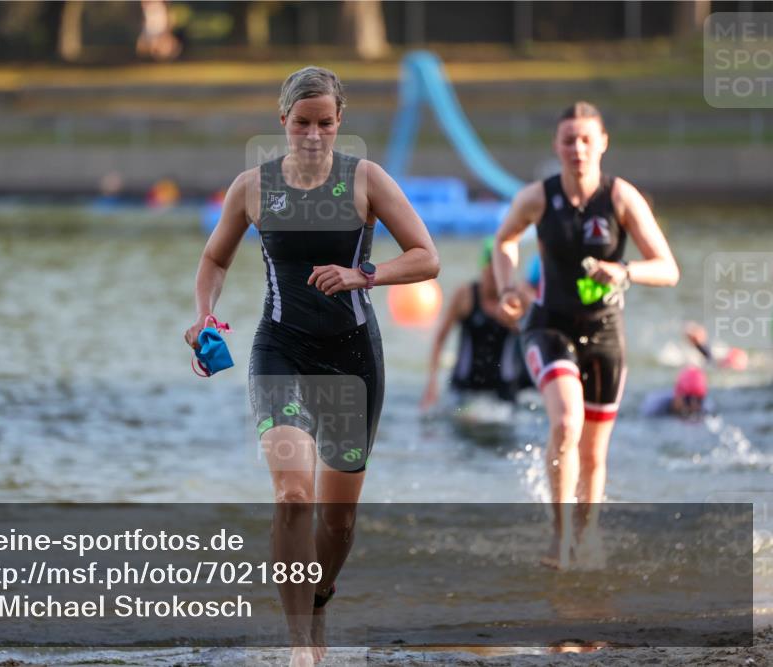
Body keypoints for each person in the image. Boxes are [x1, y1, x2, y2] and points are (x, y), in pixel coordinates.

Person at [183, 66, 438, 666]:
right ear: (283, 123)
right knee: (293, 494)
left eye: (326, 123)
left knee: (338, 522)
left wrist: (363, 274)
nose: (315, 135)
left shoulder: (366, 180)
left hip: (352, 356)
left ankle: (320, 596)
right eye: (303, 123)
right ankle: (301, 647)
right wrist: (204, 314)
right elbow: (215, 259)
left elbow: (426, 258)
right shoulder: (252, 187)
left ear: (340, 122)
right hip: (280, 351)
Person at [492, 101, 679, 569]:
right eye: (568, 140)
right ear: (556, 146)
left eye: (585, 139)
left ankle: (587, 533)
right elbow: (504, 240)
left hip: (605, 332)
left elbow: (668, 268)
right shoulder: (538, 196)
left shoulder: (621, 198)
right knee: (566, 423)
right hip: (549, 325)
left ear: (602, 144)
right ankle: (560, 539)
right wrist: (510, 285)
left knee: (593, 452)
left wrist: (624, 270)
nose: (576, 148)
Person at [420, 237, 528, 410]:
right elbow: (440, 338)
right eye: (492, 268)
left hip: (504, 394)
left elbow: (535, 339)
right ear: (483, 267)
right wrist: (432, 382)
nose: (495, 275)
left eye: (502, 270)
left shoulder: (519, 299)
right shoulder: (465, 296)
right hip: (465, 390)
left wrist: (518, 326)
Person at [640, 366, 711, 418]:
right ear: (677, 396)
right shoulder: (654, 408)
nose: (693, 406)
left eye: (699, 400)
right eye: (688, 399)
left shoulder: (706, 408)